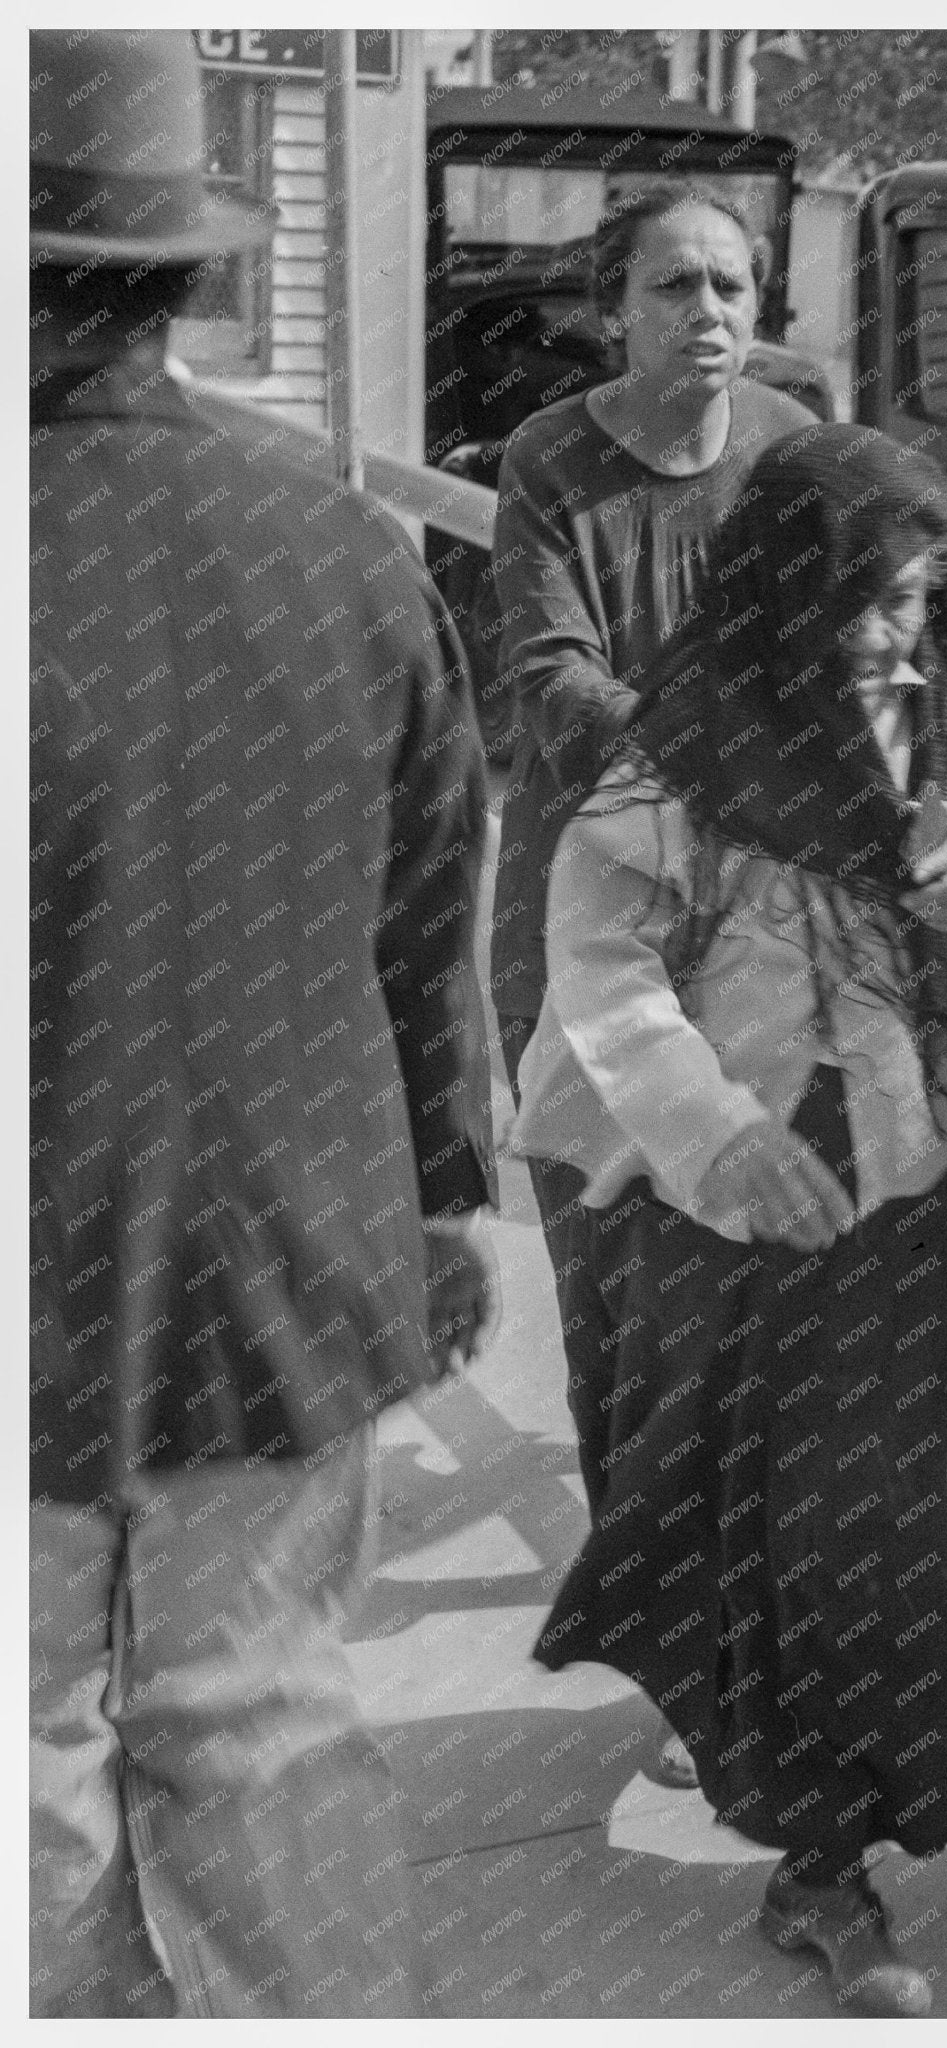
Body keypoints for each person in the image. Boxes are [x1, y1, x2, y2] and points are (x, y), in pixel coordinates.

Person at [27, 31, 499, 2018]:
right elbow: (427, 930)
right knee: (264, 1742)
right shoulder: (350, 551)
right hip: (282, 1278)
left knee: (32, 1788)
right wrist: (455, 1207)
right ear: (188, 275)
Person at [514, 425, 947, 2016]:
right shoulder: (675, 749)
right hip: (699, 1188)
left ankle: (831, 1860)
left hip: (882, 1186)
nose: (894, 629)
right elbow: (599, 963)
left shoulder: (941, 717)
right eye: (865, 598)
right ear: (780, 594)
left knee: (862, 1518)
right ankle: (745, 1748)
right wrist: (717, 1135)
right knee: (701, 1493)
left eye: (916, 593)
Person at [485, 181, 817, 1783]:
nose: (712, 314)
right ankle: (675, 1647)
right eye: (676, 285)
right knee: (621, 1322)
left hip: (761, 946)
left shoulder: (795, 440)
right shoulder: (552, 464)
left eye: (735, 285)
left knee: (744, 1318)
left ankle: (732, 1627)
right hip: (593, 951)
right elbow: (551, 682)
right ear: (612, 305)